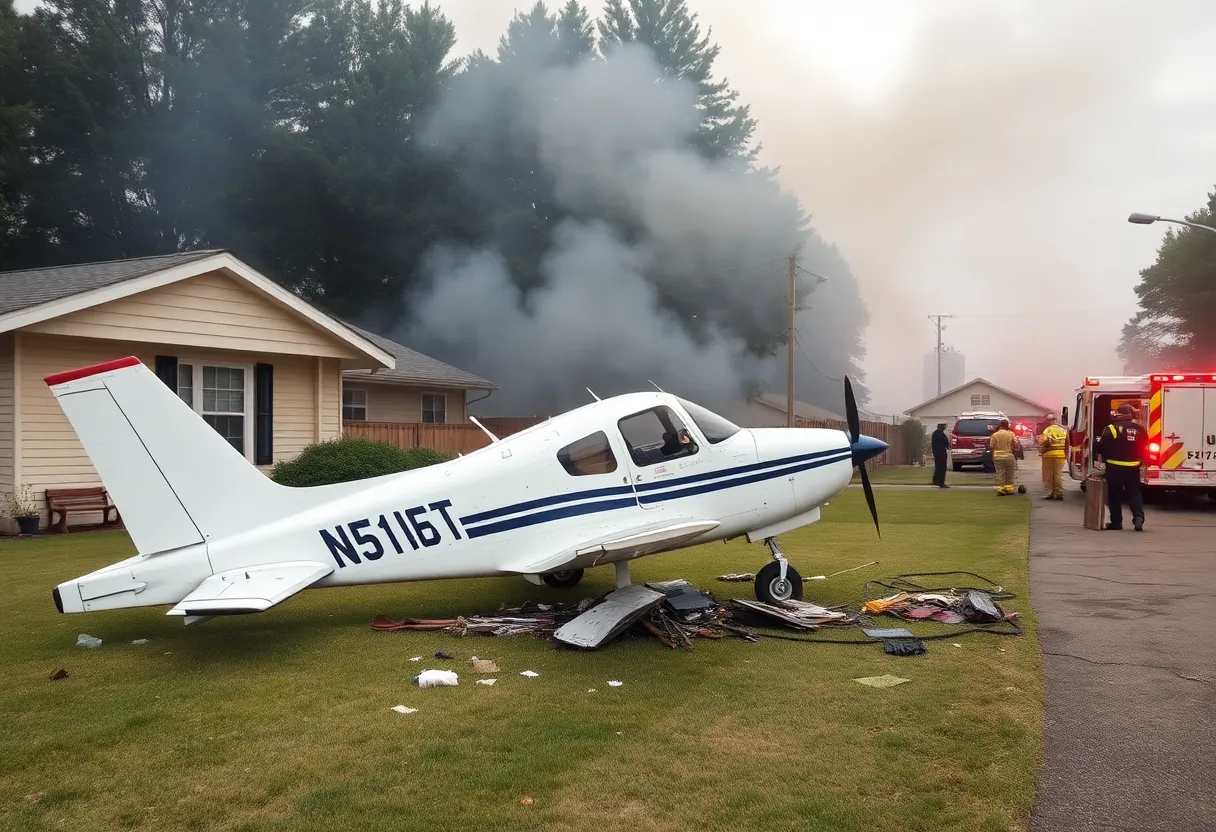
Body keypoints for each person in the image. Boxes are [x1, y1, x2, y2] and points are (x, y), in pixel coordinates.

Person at [1094, 403, 1147, 531]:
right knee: (1134, 493)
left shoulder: (1112, 428)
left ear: (1118, 414)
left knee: (1115, 495)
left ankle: (1116, 523)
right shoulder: (1139, 429)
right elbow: (1145, 445)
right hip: (1133, 467)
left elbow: (1101, 446)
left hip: (1114, 467)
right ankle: (1138, 518)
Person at [1038, 413, 1069, 500]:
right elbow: (1067, 442)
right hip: (1060, 455)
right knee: (1058, 474)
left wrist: (1041, 451)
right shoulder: (1063, 430)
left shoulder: (1047, 430)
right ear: (1056, 420)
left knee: (1048, 475)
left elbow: (1043, 442)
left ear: (1049, 421)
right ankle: (1059, 493)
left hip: (1048, 455)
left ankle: (1049, 492)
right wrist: (1065, 453)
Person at [989, 419, 1022, 496]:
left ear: (1000, 425)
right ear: (1007, 425)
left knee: (1000, 473)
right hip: (1008, 456)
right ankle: (1009, 488)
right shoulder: (1010, 434)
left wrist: (993, 457)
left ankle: (1001, 488)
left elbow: (992, 447)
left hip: (997, 456)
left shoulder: (994, 435)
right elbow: (1016, 445)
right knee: (1009, 473)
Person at [930, 422, 950, 488]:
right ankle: (941, 482)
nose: (945, 427)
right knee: (942, 468)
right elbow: (946, 443)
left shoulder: (935, 433)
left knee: (938, 467)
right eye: (944, 425)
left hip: (936, 453)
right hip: (941, 453)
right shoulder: (940, 434)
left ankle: (935, 480)